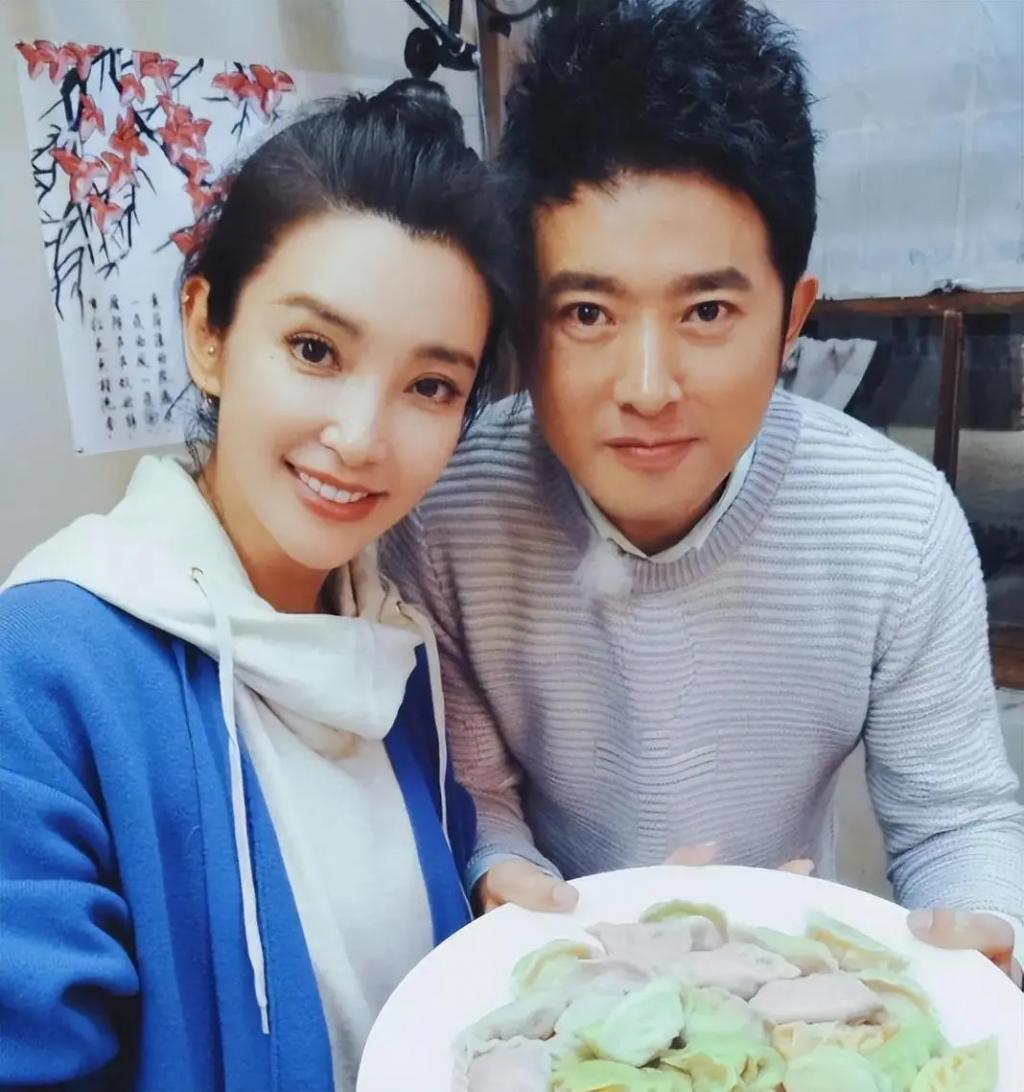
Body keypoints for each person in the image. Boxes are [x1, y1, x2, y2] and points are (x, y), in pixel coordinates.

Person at [380, 0, 1024, 976]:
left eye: (708, 310)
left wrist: (980, 935)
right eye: (587, 313)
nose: (648, 387)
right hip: (566, 969)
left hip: (785, 974)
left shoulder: (898, 525)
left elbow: (954, 818)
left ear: (792, 318)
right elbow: (480, 795)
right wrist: (521, 889)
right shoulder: (447, 515)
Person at [0, 81, 513, 1089]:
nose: (359, 438)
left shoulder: (390, 647)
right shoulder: (49, 670)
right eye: (314, 350)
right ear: (208, 332)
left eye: (430, 385)